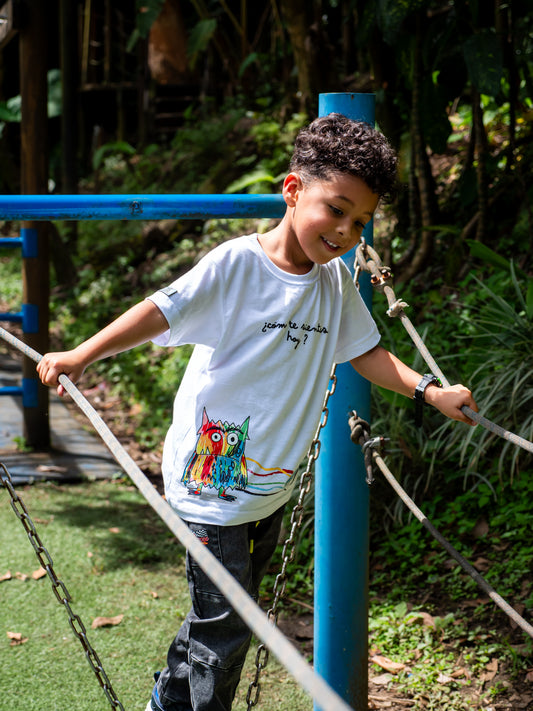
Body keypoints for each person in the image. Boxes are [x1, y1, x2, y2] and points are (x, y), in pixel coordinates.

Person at [37, 113, 478, 711]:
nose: (347, 231)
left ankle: (164, 701)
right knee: (227, 630)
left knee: (216, 620)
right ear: (294, 191)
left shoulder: (335, 285)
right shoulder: (237, 265)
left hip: (266, 489)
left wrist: (429, 391)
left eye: (360, 221)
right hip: (208, 483)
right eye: (337, 209)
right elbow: (159, 311)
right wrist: (81, 355)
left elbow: (367, 353)